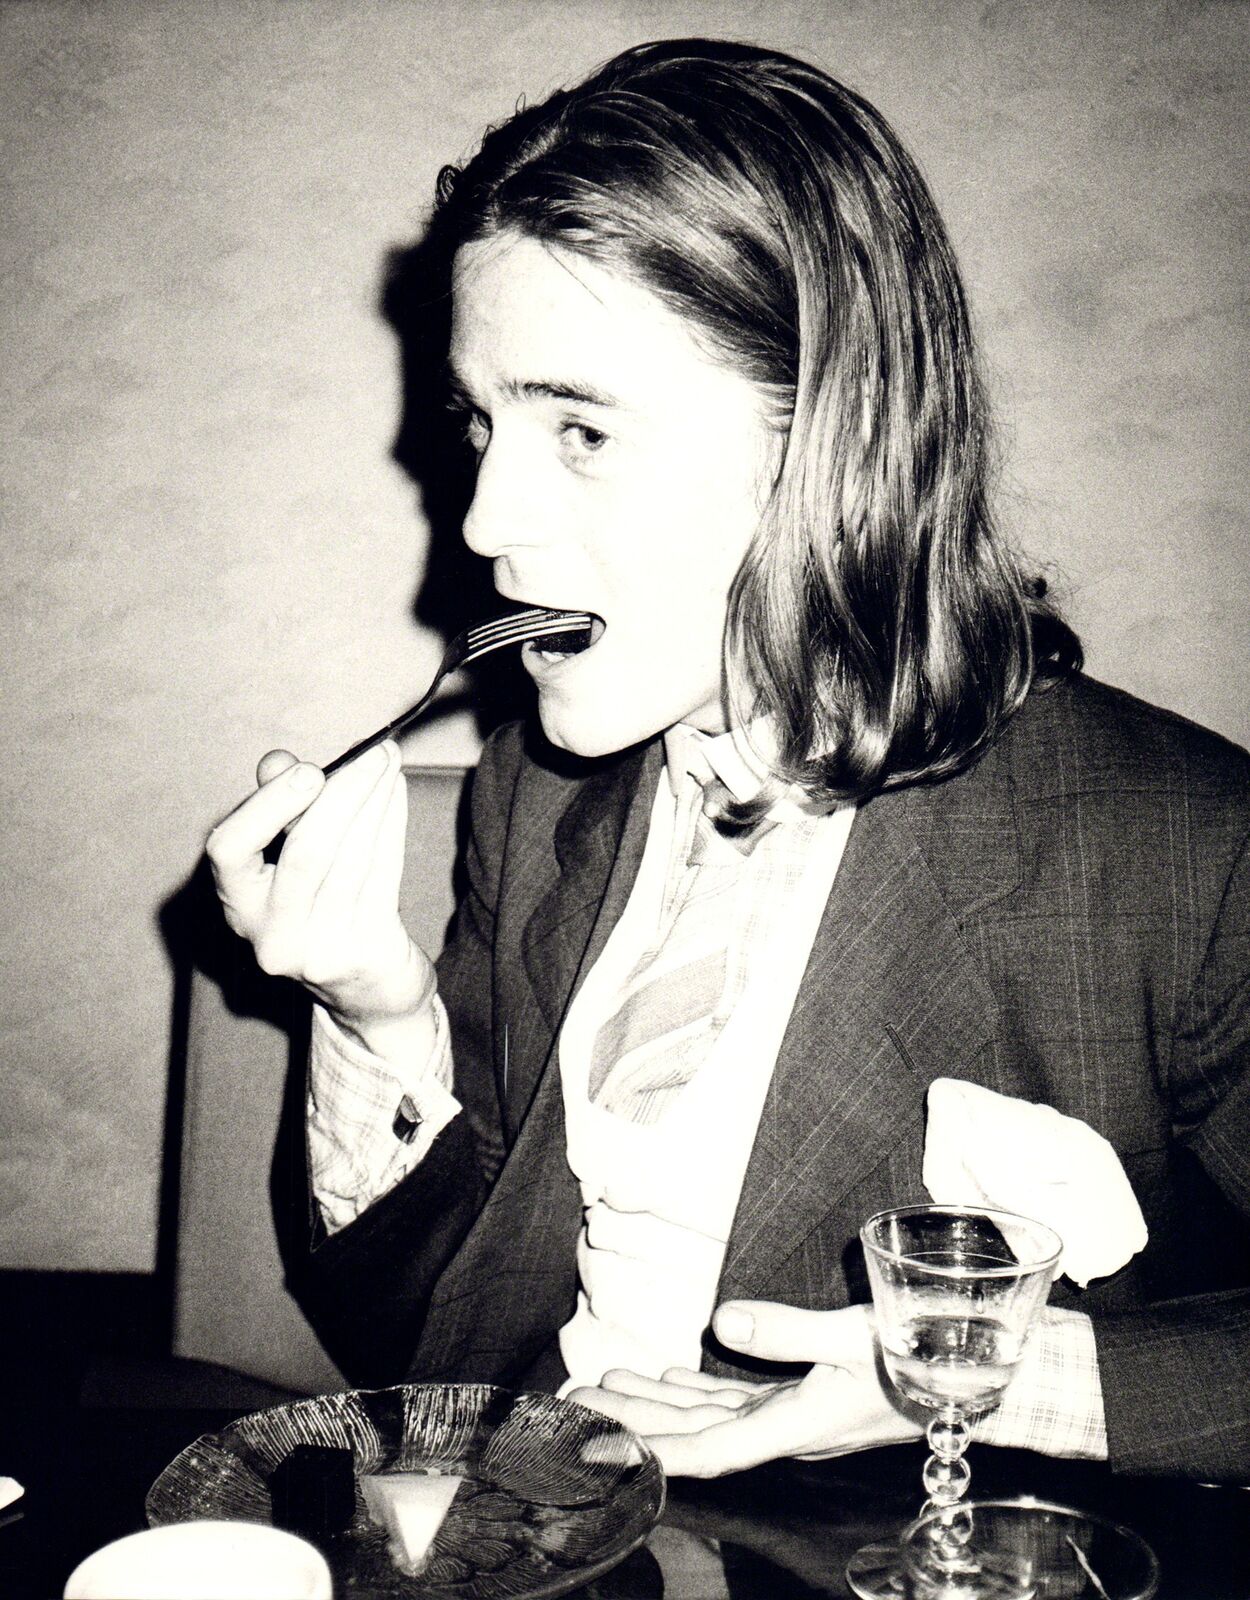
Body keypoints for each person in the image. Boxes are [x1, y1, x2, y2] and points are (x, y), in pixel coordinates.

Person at [206, 38, 1250, 1483]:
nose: (486, 524)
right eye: (478, 424)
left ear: (826, 440)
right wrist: (374, 1008)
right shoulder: (536, 797)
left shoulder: (1184, 851)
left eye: (579, 429)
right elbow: (429, 1354)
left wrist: (978, 1372)